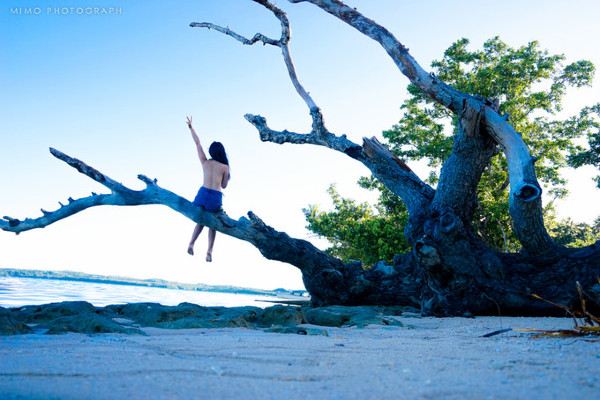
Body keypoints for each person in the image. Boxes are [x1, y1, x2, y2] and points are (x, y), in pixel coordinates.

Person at [185, 116, 230, 262]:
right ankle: (209, 251)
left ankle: (191, 243)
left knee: (201, 220)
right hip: (215, 197)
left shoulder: (205, 162)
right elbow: (223, 186)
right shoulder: (225, 167)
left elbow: (198, 143)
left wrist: (192, 128)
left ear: (211, 152)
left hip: (202, 195)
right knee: (213, 222)